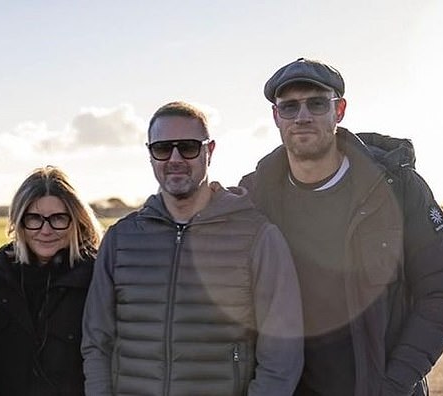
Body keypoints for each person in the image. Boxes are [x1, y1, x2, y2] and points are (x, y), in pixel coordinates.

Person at [239, 57, 443, 395]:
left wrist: (395, 382)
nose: (303, 116)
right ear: (276, 117)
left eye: (317, 103)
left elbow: (441, 289)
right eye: (290, 107)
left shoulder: (397, 187)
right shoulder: (254, 196)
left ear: (339, 110)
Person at [82, 101, 304, 396]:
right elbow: (97, 340)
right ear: (150, 155)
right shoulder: (121, 239)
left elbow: (282, 352)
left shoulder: (258, 237)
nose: (175, 158)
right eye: (162, 148)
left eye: (187, 147)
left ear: (209, 151)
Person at [0, 165, 102, 396]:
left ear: (77, 221)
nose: (45, 230)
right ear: (19, 223)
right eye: (34, 219)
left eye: (58, 218)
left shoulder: (97, 279)